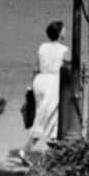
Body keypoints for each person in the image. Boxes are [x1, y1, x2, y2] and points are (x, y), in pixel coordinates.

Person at [24, 19, 69, 153]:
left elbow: (35, 67)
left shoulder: (42, 47)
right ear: (60, 33)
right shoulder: (64, 49)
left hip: (39, 80)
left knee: (47, 112)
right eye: (63, 29)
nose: (65, 30)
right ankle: (27, 149)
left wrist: (31, 86)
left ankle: (52, 145)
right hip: (53, 82)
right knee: (46, 114)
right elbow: (68, 67)